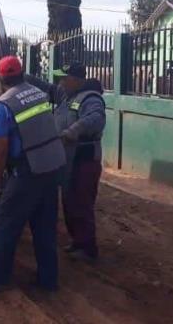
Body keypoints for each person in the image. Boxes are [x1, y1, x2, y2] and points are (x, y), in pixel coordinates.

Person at [0, 55, 67, 292]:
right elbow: (33, 126)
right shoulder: (37, 92)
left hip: (29, 169)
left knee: (4, 221)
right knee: (44, 226)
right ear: (21, 73)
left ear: (0, 77)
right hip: (53, 164)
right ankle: (49, 281)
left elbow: (2, 147)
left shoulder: (3, 104)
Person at [26, 62, 106, 262]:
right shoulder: (66, 96)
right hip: (68, 159)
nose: (60, 82)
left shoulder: (90, 98)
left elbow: (96, 118)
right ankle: (77, 241)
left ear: (76, 80)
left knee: (82, 201)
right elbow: (47, 87)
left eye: (64, 78)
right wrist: (23, 76)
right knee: (69, 200)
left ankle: (88, 248)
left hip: (84, 159)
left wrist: (72, 131)